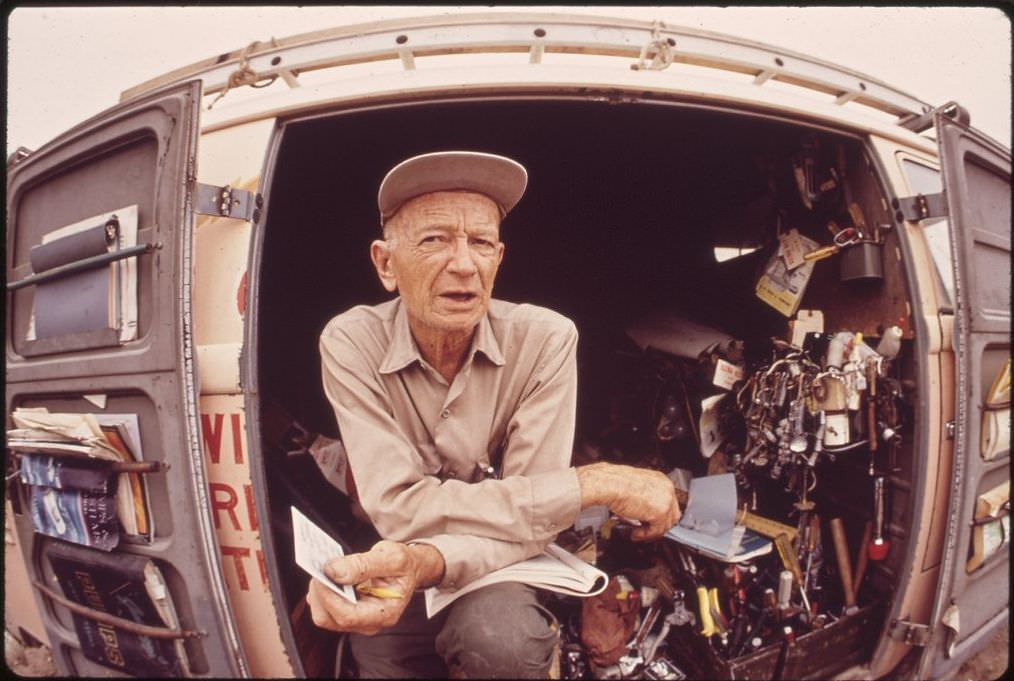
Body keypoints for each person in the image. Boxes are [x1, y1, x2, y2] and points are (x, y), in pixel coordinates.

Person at [306, 151, 680, 678]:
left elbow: (537, 523)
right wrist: (591, 483)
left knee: (500, 639)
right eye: (434, 240)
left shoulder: (546, 338)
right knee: (381, 661)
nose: (463, 264)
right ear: (386, 264)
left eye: (480, 242)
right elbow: (397, 509)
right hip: (393, 559)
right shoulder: (351, 341)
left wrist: (428, 561)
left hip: (500, 563)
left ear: (498, 258)